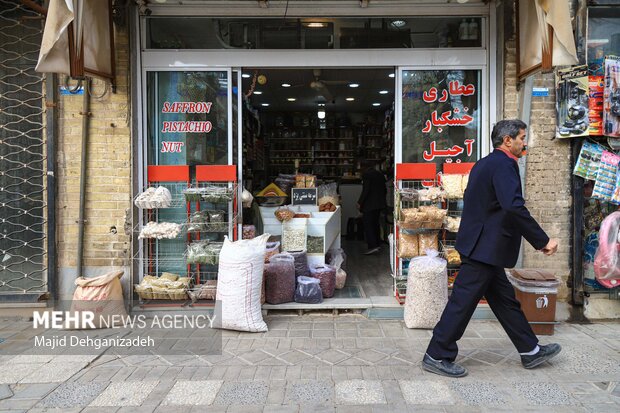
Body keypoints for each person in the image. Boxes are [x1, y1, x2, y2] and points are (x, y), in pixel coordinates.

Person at [422, 119, 560, 378]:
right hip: (484, 248)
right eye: (521, 137)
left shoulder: (484, 163)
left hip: (485, 246)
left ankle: (530, 350)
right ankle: (437, 354)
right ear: (507, 140)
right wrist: (542, 240)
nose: (524, 142)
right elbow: (513, 206)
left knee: (506, 302)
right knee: (462, 304)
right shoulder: (504, 165)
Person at [357, 160, 387, 255]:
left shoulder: (366, 175)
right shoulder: (380, 174)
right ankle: (377, 244)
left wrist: (359, 202)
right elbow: (384, 190)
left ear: (363, 167)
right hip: (379, 204)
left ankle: (372, 246)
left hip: (369, 205)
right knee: (376, 224)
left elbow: (366, 190)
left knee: (368, 225)